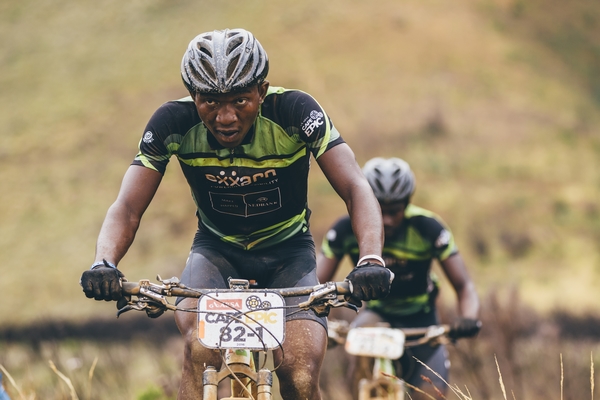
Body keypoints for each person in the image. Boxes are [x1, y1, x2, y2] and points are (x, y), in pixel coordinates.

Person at [79, 28, 393, 400]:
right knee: (200, 350)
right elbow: (128, 207)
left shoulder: (296, 111)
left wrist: (370, 257)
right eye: (210, 102)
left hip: (288, 254)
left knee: (299, 371)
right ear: (193, 95)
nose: (225, 116)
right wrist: (104, 262)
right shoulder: (171, 123)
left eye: (241, 100)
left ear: (262, 90)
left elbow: (356, 187)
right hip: (216, 252)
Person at [317, 157, 481, 400]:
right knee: (359, 353)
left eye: (394, 211)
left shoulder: (428, 228)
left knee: (431, 394)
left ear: (407, 203)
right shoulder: (344, 230)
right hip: (377, 315)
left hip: (422, 321)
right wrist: (316, 322)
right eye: (379, 209)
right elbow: (317, 285)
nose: (386, 220)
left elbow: (464, 285)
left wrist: (467, 318)